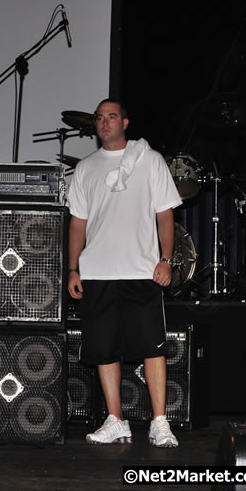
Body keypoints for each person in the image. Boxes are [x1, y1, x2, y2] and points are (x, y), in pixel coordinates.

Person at [67, 98, 182, 447]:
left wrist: (166, 259)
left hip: (140, 270)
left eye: (112, 117)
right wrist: (73, 268)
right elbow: (77, 223)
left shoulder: (149, 160)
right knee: (103, 349)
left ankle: (159, 422)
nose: (104, 123)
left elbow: (165, 214)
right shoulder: (86, 168)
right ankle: (116, 419)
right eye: (99, 118)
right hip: (97, 271)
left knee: (152, 348)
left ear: (126, 123)